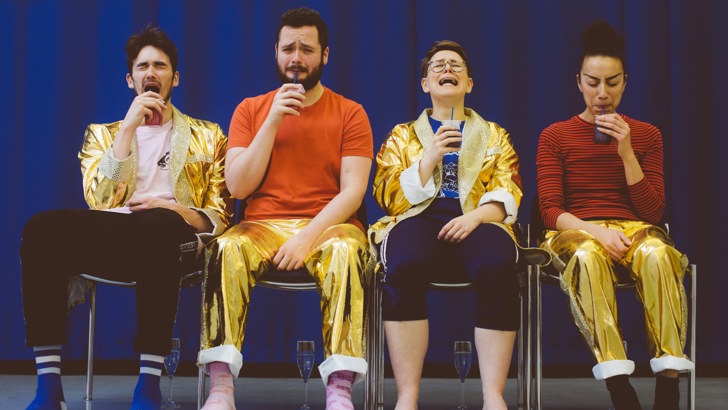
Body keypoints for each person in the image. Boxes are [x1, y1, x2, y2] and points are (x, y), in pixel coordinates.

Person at [19, 25, 232, 410]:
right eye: (143, 66)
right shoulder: (102, 134)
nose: (151, 73)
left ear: (175, 77)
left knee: (158, 225)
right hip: (115, 234)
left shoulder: (209, 135)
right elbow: (98, 199)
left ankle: (147, 385)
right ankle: (48, 388)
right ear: (130, 79)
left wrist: (173, 210)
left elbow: (220, 215)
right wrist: (129, 128)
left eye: (161, 66)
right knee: (41, 229)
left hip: (173, 238)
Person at [197, 7, 373, 410]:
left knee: (347, 251)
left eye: (306, 49)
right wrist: (273, 121)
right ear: (275, 53)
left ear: (324, 56)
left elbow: (353, 193)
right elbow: (238, 186)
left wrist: (307, 237)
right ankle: (221, 388)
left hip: (331, 225)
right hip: (261, 225)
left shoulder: (351, 112)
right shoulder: (251, 110)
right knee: (225, 248)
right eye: (288, 48)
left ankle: (340, 389)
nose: (296, 57)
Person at [535, 20, 693, 410]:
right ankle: (619, 387)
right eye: (592, 82)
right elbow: (551, 211)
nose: (602, 93)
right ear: (578, 82)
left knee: (659, 254)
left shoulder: (646, 135)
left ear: (625, 82)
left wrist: (626, 151)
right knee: (588, 258)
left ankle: (668, 388)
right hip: (576, 231)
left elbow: (653, 210)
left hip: (636, 229)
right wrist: (597, 232)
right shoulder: (555, 136)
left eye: (612, 83)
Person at [369, 40, 524, 410]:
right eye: (437, 66)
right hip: (418, 217)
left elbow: (509, 187)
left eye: (455, 65)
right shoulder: (402, 135)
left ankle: (493, 396)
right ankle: (407, 395)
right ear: (425, 84)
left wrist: (474, 217)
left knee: (498, 265)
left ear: (469, 83)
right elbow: (386, 192)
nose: (446, 70)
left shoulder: (495, 134)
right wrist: (429, 158)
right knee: (403, 265)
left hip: (479, 217)